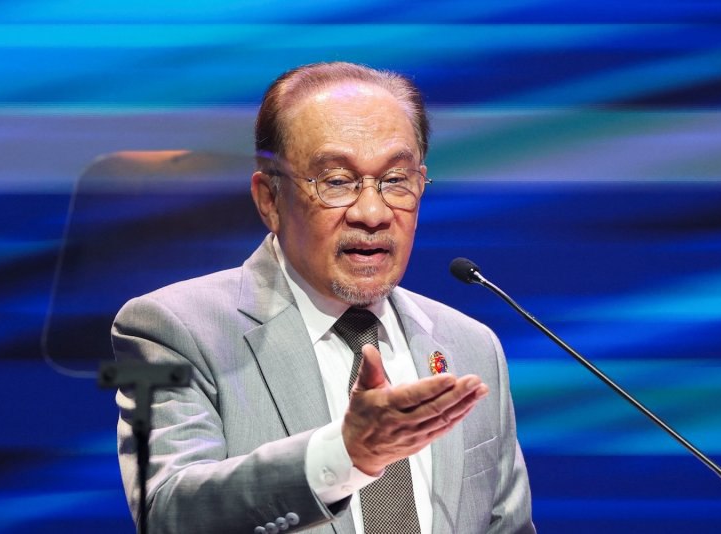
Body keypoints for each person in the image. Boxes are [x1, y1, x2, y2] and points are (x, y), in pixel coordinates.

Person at [113, 61, 535, 534]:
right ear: (270, 199)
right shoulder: (177, 330)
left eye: (396, 180)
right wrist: (345, 455)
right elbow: (169, 513)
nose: (372, 212)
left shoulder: (472, 346)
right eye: (336, 181)